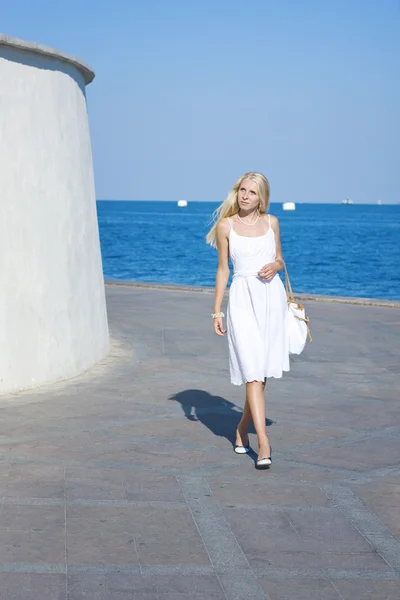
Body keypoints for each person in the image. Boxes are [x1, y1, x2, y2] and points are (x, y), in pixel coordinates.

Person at [206, 172, 289, 469]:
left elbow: (281, 258)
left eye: (252, 192)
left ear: (261, 197)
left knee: (261, 372)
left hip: (270, 299)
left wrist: (275, 265)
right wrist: (217, 310)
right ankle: (263, 442)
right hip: (241, 300)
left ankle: (242, 429)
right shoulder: (225, 226)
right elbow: (223, 271)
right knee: (252, 372)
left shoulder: (272, 223)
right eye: (242, 190)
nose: (245, 196)